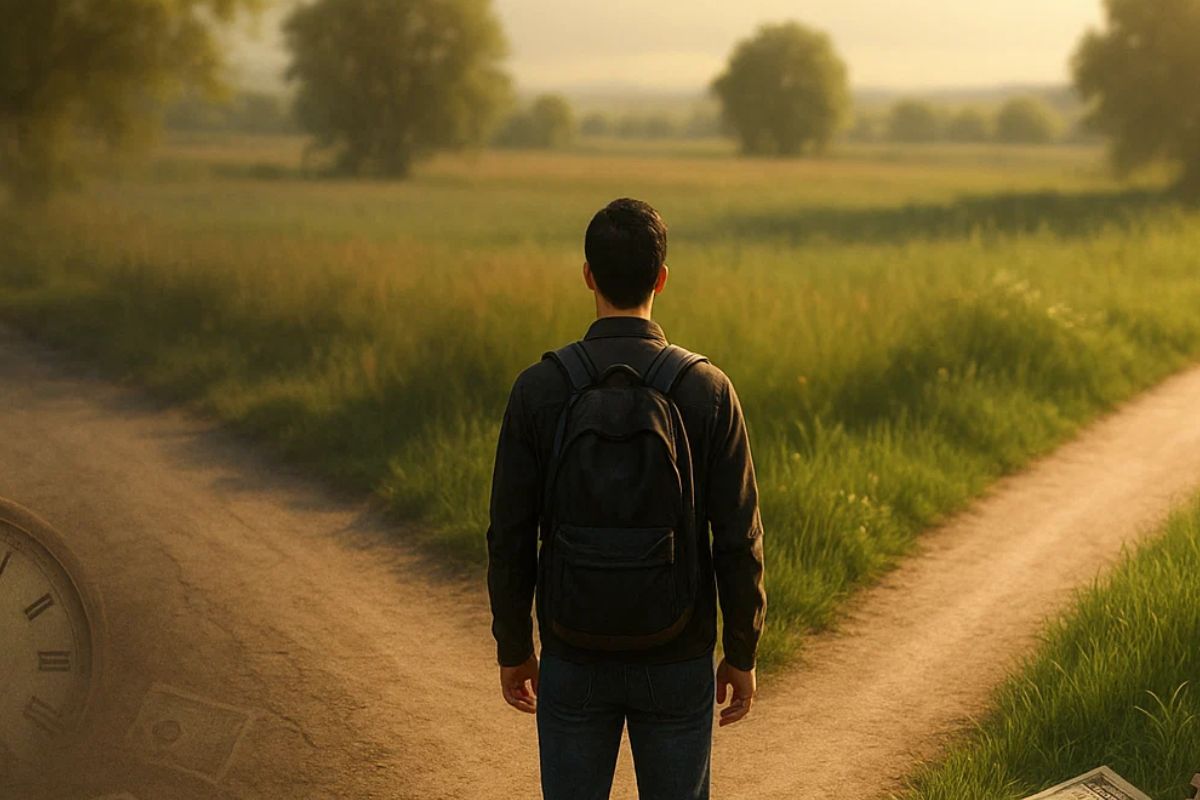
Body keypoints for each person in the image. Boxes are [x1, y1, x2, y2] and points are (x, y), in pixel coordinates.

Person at [486, 197, 767, 800]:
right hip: (678, 652)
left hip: (573, 647)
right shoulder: (707, 390)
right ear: (661, 278)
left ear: (588, 275)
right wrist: (741, 651)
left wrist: (514, 645)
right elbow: (738, 537)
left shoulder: (540, 389)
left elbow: (509, 533)